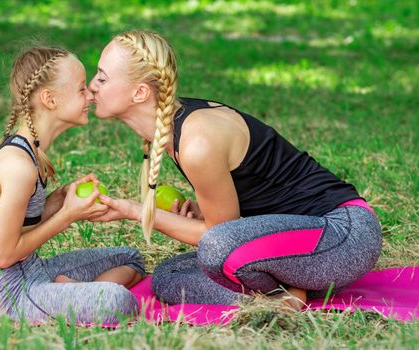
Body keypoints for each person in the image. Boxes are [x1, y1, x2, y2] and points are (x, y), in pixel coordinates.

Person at [87, 30, 382, 309]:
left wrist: (135, 211)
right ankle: (282, 294)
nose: (92, 86)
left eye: (102, 78)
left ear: (139, 93)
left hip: (343, 235)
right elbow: (242, 207)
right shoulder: (173, 127)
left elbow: (218, 237)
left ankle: (285, 290)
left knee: (216, 246)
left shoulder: (196, 141)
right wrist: (204, 211)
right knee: (168, 275)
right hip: (293, 244)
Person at [0, 46, 145, 323]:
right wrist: (67, 216)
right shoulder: (19, 166)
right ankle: (70, 293)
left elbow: (18, 224)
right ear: (49, 99)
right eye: (81, 89)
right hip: (7, 292)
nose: (91, 95)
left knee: (131, 258)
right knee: (119, 302)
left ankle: (67, 291)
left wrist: (59, 199)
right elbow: (1, 255)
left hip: (32, 269)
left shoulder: (30, 152)